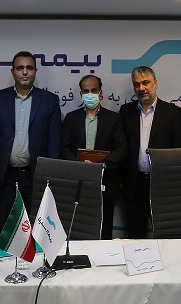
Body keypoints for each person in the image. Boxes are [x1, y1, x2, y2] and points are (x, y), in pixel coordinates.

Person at [0, 51, 61, 232]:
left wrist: (49, 175)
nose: (25, 72)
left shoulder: (50, 100)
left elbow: (54, 142)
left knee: (37, 230)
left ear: (35, 71)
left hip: (37, 177)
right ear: (13, 72)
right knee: (7, 229)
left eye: (29, 68)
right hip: (6, 177)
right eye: (20, 68)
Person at [120, 66, 181, 238]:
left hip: (162, 185)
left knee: (166, 237)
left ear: (155, 83)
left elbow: (180, 152)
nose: (141, 88)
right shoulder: (126, 112)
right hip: (134, 185)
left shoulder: (172, 112)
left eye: (145, 83)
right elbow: (122, 149)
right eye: (136, 84)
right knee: (135, 237)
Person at [61, 75, 127, 239]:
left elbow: (121, 149)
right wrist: (78, 165)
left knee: (104, 233)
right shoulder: (71, 118)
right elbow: (64, 147)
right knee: (78, 232)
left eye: (94, 90)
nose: (90, 94)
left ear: (100, 93)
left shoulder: (114, 119)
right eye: (86, 91)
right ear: (81, 94)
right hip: (78, 183)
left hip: (105, 183)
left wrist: (101, 166)